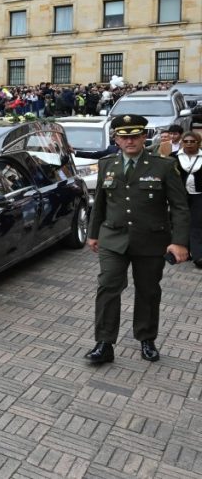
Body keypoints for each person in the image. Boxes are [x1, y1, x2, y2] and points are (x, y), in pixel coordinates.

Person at [85, 114, 190, 364]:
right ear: (116, 139)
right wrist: (93, 234)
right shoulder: (107, 164)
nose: (129, 141)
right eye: (124, 136)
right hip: (113, 238)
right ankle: (104, 343)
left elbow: (179, 207)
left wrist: (180, 242)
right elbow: (99, 201)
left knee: (148, 291)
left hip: (151, 240)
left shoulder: (163, 165)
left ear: (144, 137)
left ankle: (146, 339)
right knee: (108, 286)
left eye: (135, 136)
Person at [174, 130, 202, 268]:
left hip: (198, 195)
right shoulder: (174, 157)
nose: (189, 144)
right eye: (186, 141)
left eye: (192, 141)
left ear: (198, 142)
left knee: (196, 224)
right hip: (180, 196)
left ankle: (197, 255)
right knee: (182, 222)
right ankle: (183, 251)